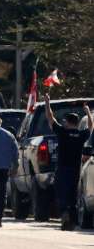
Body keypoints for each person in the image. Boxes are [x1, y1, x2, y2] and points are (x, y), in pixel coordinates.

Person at [44, 94, 93, 230]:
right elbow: (90, 126)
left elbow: (50, 118)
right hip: (75, 169)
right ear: (77, 123)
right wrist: (88, 112)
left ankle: (65, 214)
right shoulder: (80, 135)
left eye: (65, 121)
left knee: (61, 193)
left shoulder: (62, 132)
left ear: (67, 122)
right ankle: (72, 219)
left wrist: (47, 103)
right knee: (73, 195)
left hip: (62, 168)